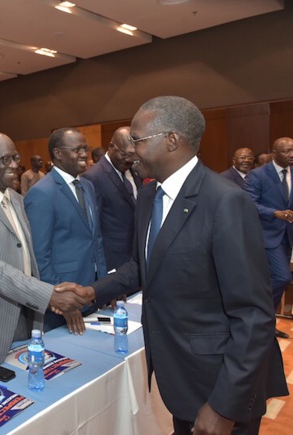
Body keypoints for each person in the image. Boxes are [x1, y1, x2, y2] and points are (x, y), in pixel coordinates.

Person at [73, 96, 287, 435]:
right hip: (181, 376)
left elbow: (253, 316)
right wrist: (91, 291)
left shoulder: (225, 202)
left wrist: (223, 406)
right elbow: (142, 266)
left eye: (138, 141)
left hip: (221, 382)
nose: (131, 150)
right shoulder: (148, 195)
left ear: (171, 140)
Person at [0, 131, 95, 369]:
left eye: (16, 158)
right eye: (6, 159)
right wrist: (50, 295)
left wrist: (53, 293)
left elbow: (29, 258)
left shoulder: (16, 199)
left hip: (24, 317)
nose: (15, 165)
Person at [25, 128, 106, 332]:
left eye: (85, 148)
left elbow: (95, 239)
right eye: (77, 149)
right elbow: (39, 256)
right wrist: (59, 299)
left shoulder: (87, 186)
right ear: (58, 153)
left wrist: (104, 287)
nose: (84, 154)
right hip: (62, 304)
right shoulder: (41, 193)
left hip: (90, 292)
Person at [244, 137, 293, 339]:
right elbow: (248, 203)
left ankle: (265, 322)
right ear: (274, 153)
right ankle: (259, 315)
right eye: (287, 151)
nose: (291, 154)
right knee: (282, 277)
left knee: (273, 279)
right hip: (267, 236)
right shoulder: (258, 175)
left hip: (287, 236)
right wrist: (274, 213)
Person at [82, 126, 142, 278]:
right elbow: (95, 230)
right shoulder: (93, 177)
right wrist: (106, 272)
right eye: (124, 154)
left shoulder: (134, 171)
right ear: (111, 147)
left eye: (133, 155)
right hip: (113, 262)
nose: (129, 159)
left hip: (135, 258)